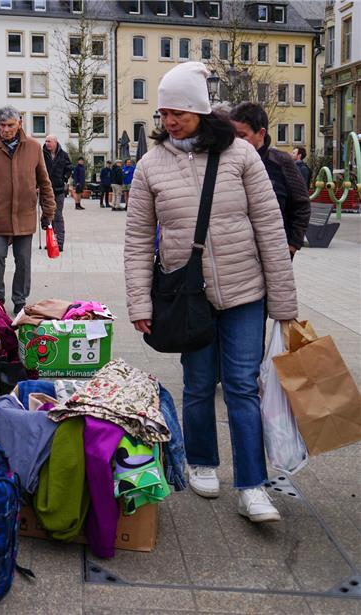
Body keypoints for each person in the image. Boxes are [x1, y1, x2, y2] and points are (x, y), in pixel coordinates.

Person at [125, 62, 297, 523]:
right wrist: (140, 302)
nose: (170, 120)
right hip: (188, 295)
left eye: (179, 110)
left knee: (242, 387)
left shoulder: (240, 155)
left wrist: (283, 302)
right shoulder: (150, 166)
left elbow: (269, 226)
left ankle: (252, 485)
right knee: (199, 384)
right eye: (164, 112)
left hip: (245, 291)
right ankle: (201, 460)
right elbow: (139, 239)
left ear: (201, 110)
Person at [0, 105, 56, 315]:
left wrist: (49, 212)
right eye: (2, 125)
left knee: (23, 260)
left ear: (19, 122)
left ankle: (20, 299)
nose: (6, 129)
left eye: (10, 125)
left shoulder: (33, 148)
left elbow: (44, 182)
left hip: (24, 215)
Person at [229, 103, 311, 259]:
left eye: (242, 136)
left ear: (261, 133)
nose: (235, 141)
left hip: (274, 252)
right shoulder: (227, 162)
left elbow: (302, 205)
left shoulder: (281, 162)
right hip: (236, 254)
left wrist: (292, 245)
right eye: (232, 135)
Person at [42, 135, 73, 252]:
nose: (47, 143)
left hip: (59, 190)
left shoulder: (63, 155)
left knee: (58, 215)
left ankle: (59, 242)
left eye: (49, 141)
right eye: (46, 141)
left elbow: (69, 168)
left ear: (55, 142)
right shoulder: (41, 154)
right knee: (48, 216)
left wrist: (64, 178)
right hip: (45, 190)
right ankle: (50, 241)